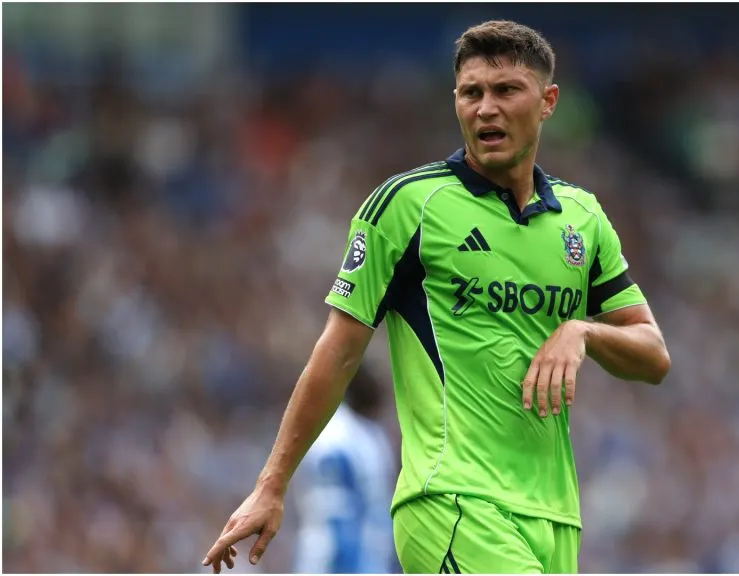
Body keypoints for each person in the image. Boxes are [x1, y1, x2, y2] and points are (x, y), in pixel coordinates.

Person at [202, 19, 670, 574]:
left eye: (505, 91)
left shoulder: (583, 218)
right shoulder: (408, 206)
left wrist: (583, 331)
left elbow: (653, 355)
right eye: (471, 93)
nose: (485, 108)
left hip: (554, 516)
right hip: (451, 502)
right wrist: (270, 486)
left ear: (547, 102)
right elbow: (339, 350)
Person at [290, 367, 398, 574]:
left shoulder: (366, 433)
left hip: (364, 554)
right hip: (343, 560)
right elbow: (336, 512)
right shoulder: (339, 437)